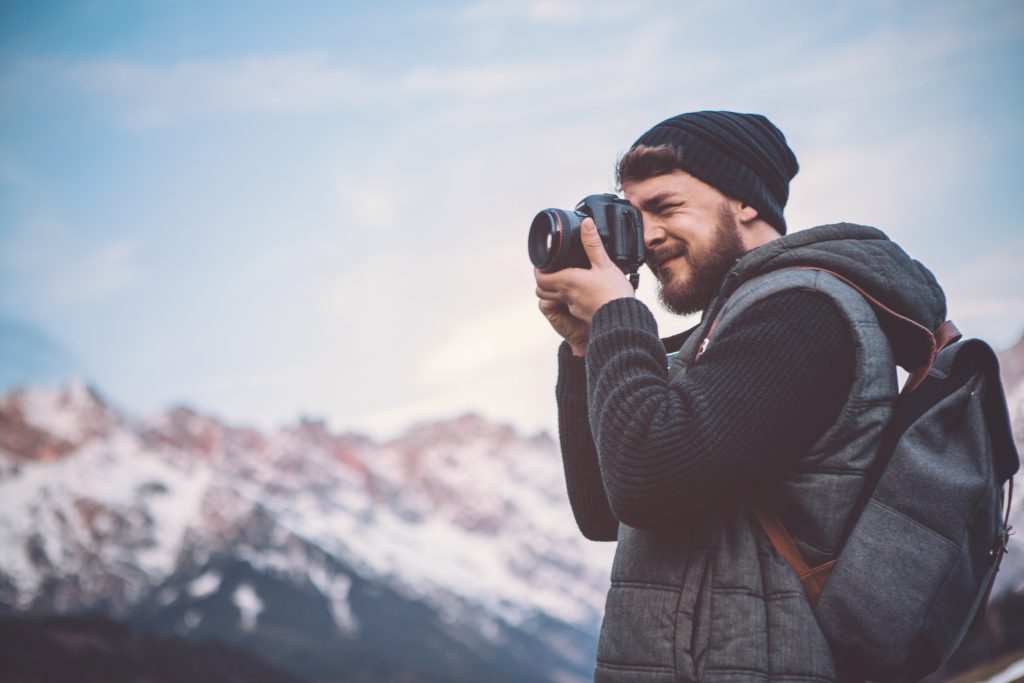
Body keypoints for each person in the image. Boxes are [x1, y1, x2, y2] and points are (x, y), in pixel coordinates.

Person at [533, 111, 947, 683]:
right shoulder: (731, 331)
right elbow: (606, 513)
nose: (646, 236)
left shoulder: (804, 311)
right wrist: (585, 346)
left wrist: (615, 313)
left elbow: (648, 482)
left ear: (746, 202)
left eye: (666, 207)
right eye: (634, 215)